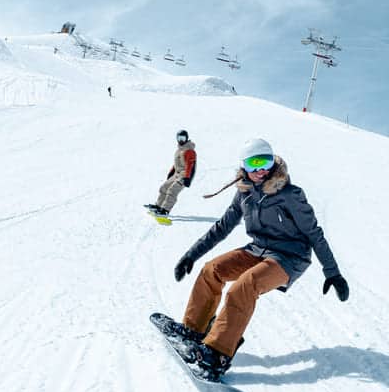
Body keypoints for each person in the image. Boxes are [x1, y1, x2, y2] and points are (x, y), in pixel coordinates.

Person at [172, 138, 348, 377]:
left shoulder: (290, 194)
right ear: (244, 166)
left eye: (265, 161)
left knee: (244, 287)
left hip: (289, 257)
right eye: (253, 163)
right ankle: (194, 331)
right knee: (211, 270)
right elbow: (222, 227)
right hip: (257, 249)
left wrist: (332, 272)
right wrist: (190, 255)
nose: (260, 170)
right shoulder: (244, 193)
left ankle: (218, 353)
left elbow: (314, 233)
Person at [146, 130, 196, 216]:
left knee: (172, 191)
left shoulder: (189, 151)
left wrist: (187, 178)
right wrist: (171, 172)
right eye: (179, 138)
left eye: (183, 138)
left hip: (184, 175)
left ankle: (165, 210)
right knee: (164, 187)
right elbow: (177, 163)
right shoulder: (179, 150)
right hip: (177, 173)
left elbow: (189, 165)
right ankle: (159, 206)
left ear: (187, 138)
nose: (181, 140)